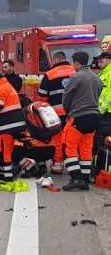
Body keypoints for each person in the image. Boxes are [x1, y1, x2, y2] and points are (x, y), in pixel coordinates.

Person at [61, 52, 102, 190]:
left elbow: (66, 96)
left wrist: (67, 111)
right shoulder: (96, 78)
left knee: (68, 146)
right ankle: (85, 178)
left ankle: (76, 178)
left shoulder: (76, 77)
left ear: (77, 63)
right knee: (86, 148)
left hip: (79, 117)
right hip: (94, 117)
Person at [38, 50, 75, 173]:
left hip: (56, 113)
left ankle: (57, 164)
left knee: (58, 140)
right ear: (65, 58)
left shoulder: (49, 74)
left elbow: (42, 96)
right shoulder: (75, 71)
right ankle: (74, 164)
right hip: (73, 112)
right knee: (73, 139)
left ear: (55, 60)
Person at [0, 69, 26, 180]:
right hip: (10, 124)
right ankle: (1, 172)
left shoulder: (1, 89)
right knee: (2, 150)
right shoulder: (5, 86)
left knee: (5, 151)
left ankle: (7, 176)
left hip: (7, 125)